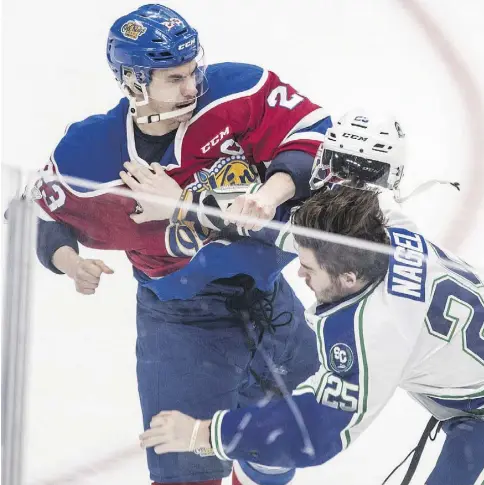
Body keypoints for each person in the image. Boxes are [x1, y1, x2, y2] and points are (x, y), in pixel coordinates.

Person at [139, 111, 484, 485]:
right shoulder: (383, 223)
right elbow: (300, 228)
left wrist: (202, 432)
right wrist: (187, 205)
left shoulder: (373, 329)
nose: (299, 271)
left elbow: (314, 434)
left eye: (310, 269)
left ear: (350, 276)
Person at [32, 4, 332, 485]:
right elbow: (40, 214)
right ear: (134, 82)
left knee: (283, 443)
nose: (193, 87)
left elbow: (312, 139)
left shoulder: (237, 91)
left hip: (267, 296)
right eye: (175, 79)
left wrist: (266, 193)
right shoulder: (90, 152)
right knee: (186, 468)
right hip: (182, 321)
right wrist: (69, 261)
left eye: (194, 71)